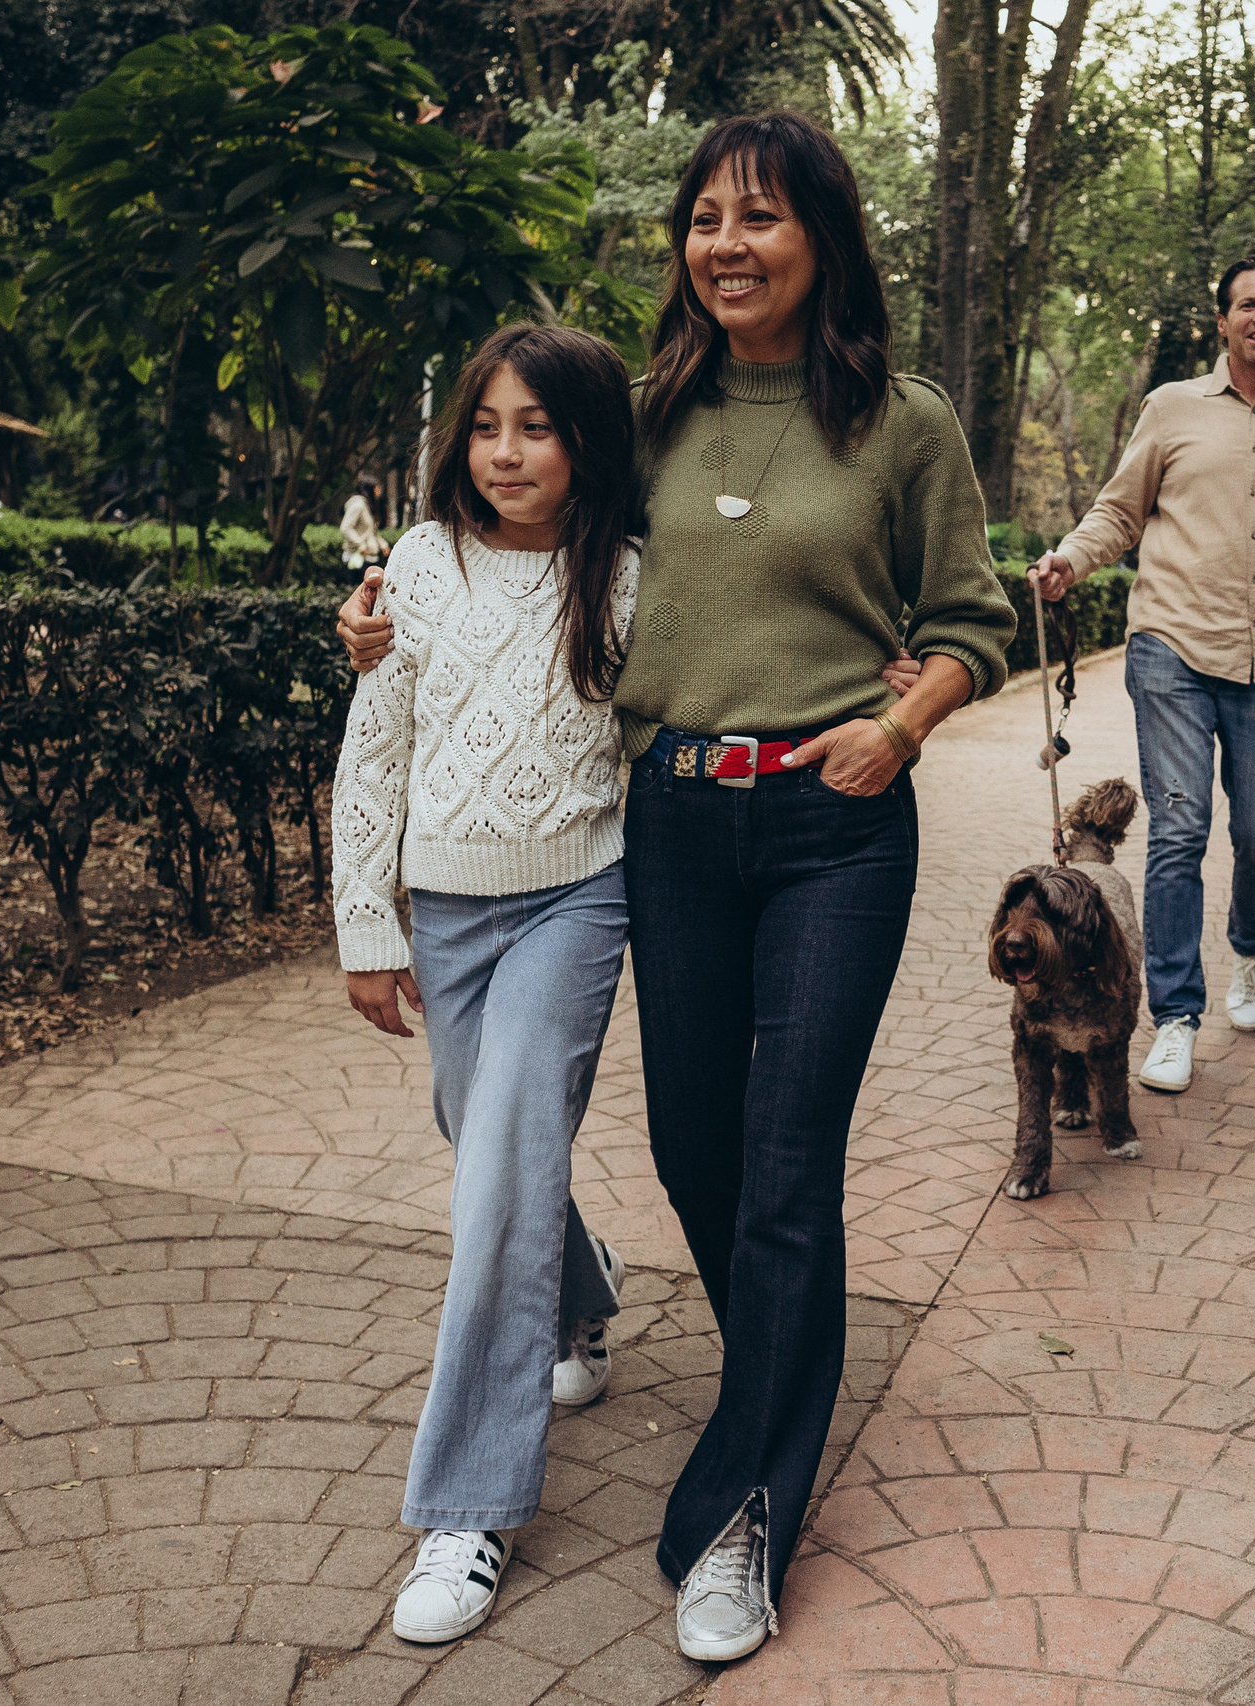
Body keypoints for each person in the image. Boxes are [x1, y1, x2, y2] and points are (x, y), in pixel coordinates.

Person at [334, 112, 1014, 1664]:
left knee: (785, 1161)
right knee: (697, 1149)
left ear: (823, 236)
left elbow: (974, 619)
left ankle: (742, 1512)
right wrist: (379, 616)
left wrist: (904, 722)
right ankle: (782, 1354)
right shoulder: (648, 414)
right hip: (672, 822)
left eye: (760, 217)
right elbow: (514, 535)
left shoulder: (903, 422)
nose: (727, 244)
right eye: (706, 218)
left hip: (839, 826)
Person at [330, 324, 643, 1644]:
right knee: (488, 1140)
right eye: (486, 426)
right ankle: (577, 1290)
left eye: (539, 426)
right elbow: (376, 744)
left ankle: (468, 1504)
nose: (506, 452)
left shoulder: (628, 574)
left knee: (504, 1157)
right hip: (446, 908)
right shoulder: (416, 565)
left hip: (579, 896)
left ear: (588, 443)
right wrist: (366, 920)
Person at [1027, 256, 1255, 1094]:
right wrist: (1072, 561)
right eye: (1246, 304)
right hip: (1173, 647)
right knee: (1180, 830)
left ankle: (1250, 949)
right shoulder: (1172, 407)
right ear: (1222, 320)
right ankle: (1176, 1017)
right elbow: (1120, 509)